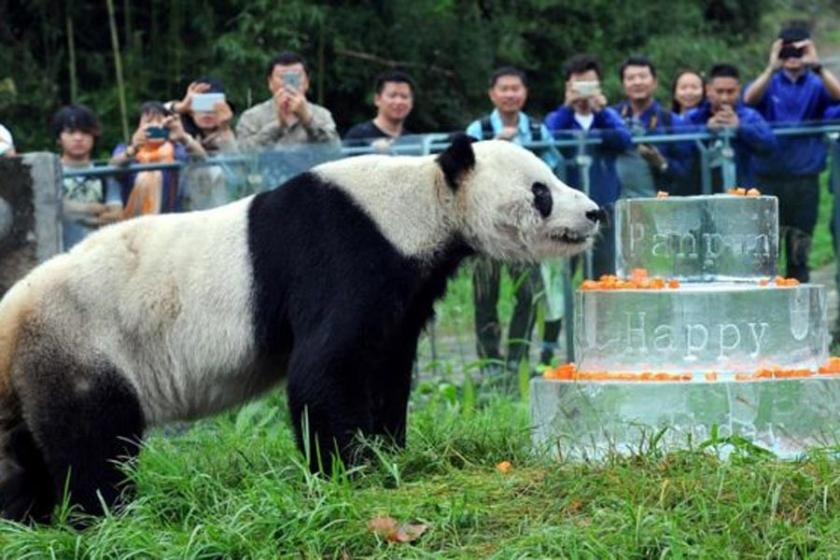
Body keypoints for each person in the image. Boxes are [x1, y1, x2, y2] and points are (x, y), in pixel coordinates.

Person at [465, 66, 564, 371]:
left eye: (515, 88)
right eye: (503, 89)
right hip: (487, 227)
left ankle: (516, 359)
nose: (510, 94)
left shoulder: (537, 131)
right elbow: (465, 172)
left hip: (526, 228)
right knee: (486, 296)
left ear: (524, 93)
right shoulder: (478, 130)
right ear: (492, 94)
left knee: (528, 293)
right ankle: (490, 361)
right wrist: (498, 144)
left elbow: (553, 168)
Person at [743, 23, 840, 282]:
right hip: (767, 177)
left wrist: (817, 64)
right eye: (788, 51)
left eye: (799, 51)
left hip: (804, 179)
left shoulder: (817, 85)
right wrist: (772, 66)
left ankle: (800, 315)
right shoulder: (769, 83)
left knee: (799, 251)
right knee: (764, 253)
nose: (793, 57)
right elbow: (748, 100)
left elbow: (838, 96)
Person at [544, 54, 633, 278]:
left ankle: (602, 313)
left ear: (599, 85)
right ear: (568, 86)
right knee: (562, 274)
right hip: (563, 208)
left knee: (605, 271)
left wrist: (601, 112)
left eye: (589, 84)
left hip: (603, 204)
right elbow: (549, 141)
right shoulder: (558, 117)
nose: (584, 89)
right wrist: (567, 107)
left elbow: (625, 141)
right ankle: (562, 314)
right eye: (578, 83)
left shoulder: (608, 116)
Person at [684, 64, 776, 192]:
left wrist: (740, 128)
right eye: (719, 91)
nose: (724, 98)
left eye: (730, 91)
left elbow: (770, 144)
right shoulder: (693, 117)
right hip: (702, 191)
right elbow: (682, 150)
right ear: (708, 90)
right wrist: (706, 131)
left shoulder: (750, 116)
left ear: (738, 90)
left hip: (743, 190)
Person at [612, 55, 692, 199]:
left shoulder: (671, 121)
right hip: (615, 202)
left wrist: (661, 163)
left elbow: (686, 171)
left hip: (658, 202)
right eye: (630, 78)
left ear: (655, 82)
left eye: (643, 77)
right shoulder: (611, 117)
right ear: (623, 84)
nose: (637, 82)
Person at [110, 102, 202, 216]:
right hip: (135, 222)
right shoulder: (126, 148)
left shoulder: (176, 148)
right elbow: (113, 166)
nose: (154, 126)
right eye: (148, 122)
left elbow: (202, 159)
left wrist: (183, 137)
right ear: (138, 126)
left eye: (159, 121)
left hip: (170, 218)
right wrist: (133, 149)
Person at [236, 51, 340, 150]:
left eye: (296, 77)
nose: (289, 84)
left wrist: (308, 121)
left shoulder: (322, 114)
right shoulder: (252, 117)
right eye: (282, 77)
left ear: (307, 82)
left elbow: (335, 151)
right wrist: (278, 126)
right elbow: (241, 156)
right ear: (270, 83)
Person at [52, 105, 123, 249]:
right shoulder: (50, 173)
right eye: (71, 132)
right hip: (59, 255)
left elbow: (116, 212)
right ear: (59, 138)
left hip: (97, 253)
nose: (78, 138)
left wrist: (107, 214)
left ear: (94, 136)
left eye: (85, 132)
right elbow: (52, 207)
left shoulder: (104, 173)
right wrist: (89, 209)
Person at [167, 77, 243, 209]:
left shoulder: (237, 135)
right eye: (201, 104)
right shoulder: (179, 136)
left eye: (214, 105)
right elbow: (153, 115)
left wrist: (225, 129)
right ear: (191, 111)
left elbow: (239, 173)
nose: (207, 112)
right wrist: (181, 106)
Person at [345, 70, 415, 151]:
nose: (399, 101)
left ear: (412, 102)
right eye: (392, 96)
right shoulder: (358, 136)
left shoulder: (412, 141)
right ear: (377, 99)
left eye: (404, 97)